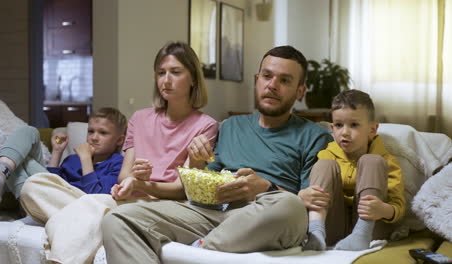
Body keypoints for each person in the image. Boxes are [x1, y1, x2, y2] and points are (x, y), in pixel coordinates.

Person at [101, 45, 333, 264]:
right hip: (209, 212)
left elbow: (306, 201)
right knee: (118, 219)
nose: (272, 85)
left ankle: (199, 250)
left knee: (288, 206)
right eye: (267, 76)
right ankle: (209, 247)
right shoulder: (230, 126)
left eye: (284, 80)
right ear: (256, 80)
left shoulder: (315, 136)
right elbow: (198, 189)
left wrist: (265, 188)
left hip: (265, 214)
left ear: (300, 90)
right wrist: (196, 160)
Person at [20, 41, 219, 264]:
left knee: (93, 204)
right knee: (34, 185)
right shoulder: (140, 118)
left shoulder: (205, 125)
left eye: (175, 72)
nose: (166, 79)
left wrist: (142, 185)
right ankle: (92, 219)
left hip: (161, 208)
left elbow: (184, 191)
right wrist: (135, 178)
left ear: (193, 78)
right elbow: (125, 175)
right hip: (126, 199)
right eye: (161, 73)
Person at [302, 89, 405, 251]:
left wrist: (383, 209)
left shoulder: (386, 161)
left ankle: (361, 233)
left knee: (372, 161)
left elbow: (398, 207)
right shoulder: (327, 154)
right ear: (332, 128)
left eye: (354, 125)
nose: (345, 132)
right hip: (334, 228)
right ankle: (316, 233)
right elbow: (317, 192)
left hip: (371, 228)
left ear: (372, 129)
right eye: (338, 125)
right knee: (324, 164)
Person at [0, 107, 126, 207]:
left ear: (119, 140)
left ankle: (29, 207)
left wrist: (86, 159)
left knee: (20, 158)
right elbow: (51, 181)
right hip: (48, 196)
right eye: (91, 131)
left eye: (103, 133)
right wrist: (57, 152)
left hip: (70, 204)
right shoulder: (72, 160)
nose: (94, 138)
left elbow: (96, 197)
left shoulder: (118, 164)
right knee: (28, 133)